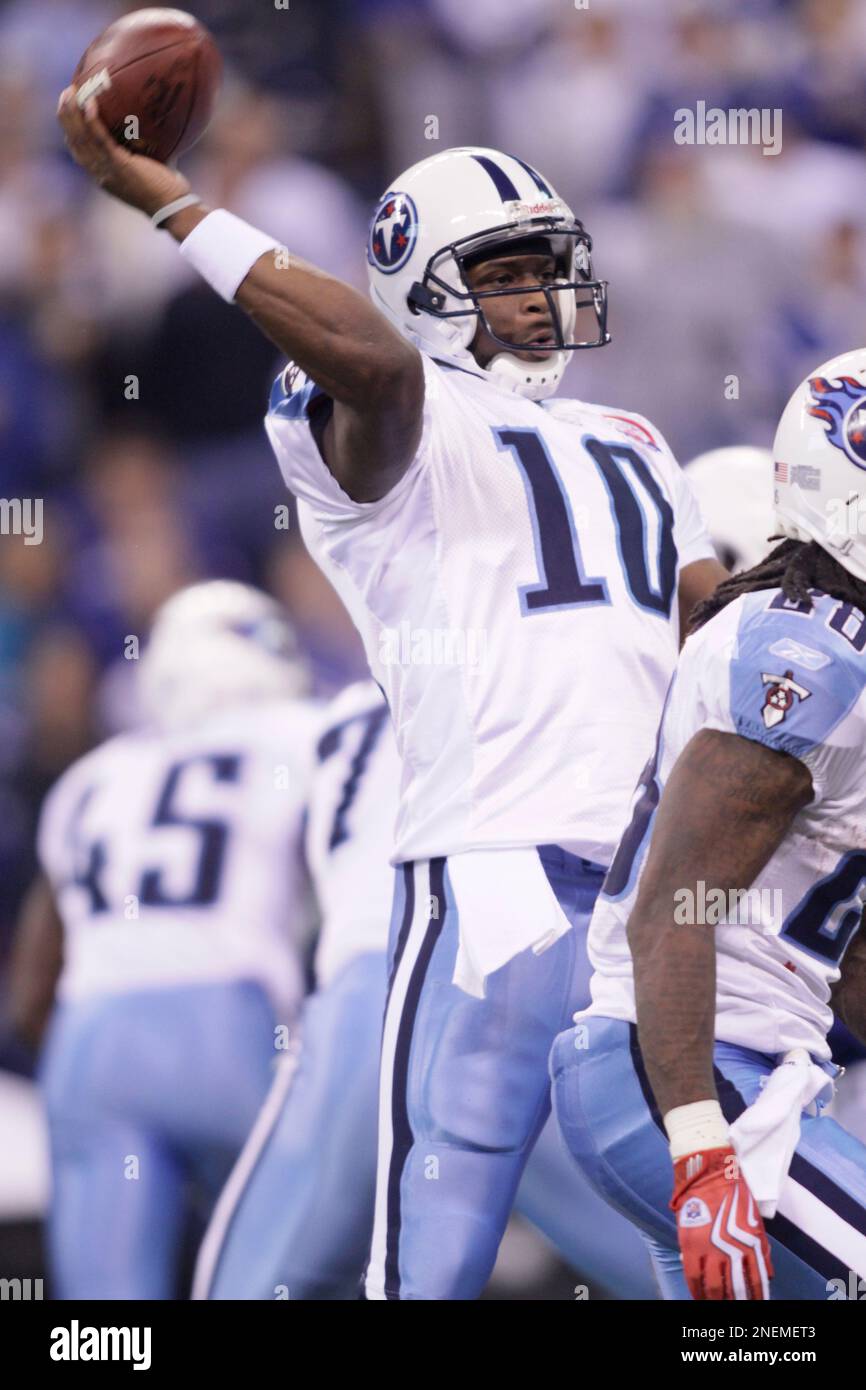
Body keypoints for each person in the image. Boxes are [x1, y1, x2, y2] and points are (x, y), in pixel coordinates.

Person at [56, 92, 726, 1299]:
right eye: (503, 271)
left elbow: (708, 643)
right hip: (489, 877)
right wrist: (173, 200)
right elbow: (372, 366)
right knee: (431, 1250)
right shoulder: (382, 403)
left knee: (696, 1251)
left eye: (547, 268)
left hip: (642, 904)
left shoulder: (632, 434)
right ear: (418, 286)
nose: (537, 297)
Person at [551, 349, 866, 1300]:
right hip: (685, 1070)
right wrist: (699, 1146)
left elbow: (843, 955)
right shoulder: (808, 652)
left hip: (749, 1065)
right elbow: (673, 909)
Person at [194, 680, 658, 1300]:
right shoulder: (529, 670)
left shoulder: (324, 716)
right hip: (525, 964)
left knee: (263, 1286)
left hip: (372, 988)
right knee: (675, 1263)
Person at [9, 581, 319, 1298]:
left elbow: (31, 994)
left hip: (89, 1045)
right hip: (229, 1027)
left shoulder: (94, 775)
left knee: (106, 1323)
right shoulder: (309, 739)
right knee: (299, 1271)